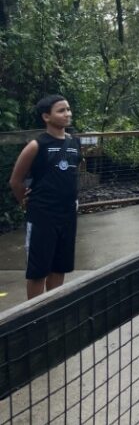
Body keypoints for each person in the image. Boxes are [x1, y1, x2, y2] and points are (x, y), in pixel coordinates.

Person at [9, 95, 82, 300]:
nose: (67, 114)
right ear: (46, 117)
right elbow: (15, 181)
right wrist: (25, 201)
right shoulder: (36, 146)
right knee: (38, 270)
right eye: (61, 110)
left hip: (67, 214)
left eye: (68, 109)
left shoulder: (74, 142)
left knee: (60, 266)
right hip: (42, 216)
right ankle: (34, 316)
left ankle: (53, 309)